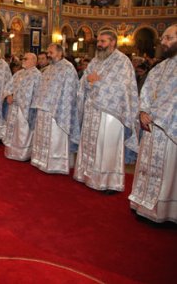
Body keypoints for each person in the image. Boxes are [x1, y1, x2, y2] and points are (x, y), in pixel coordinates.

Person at [74, 30, 139, 193]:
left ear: (113, 42)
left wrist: (94, 83)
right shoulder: (95, 61)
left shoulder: (122, 61)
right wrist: (90, 82)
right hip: (92, 111)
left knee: (106, 145)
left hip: (110, 113)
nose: (99, 44)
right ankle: (86, 175)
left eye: (103, 41)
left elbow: (120, 87)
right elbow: (84, 80)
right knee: (91, 143)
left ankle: (108, 182)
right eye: (99, 41)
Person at [129, 24, 177, 223]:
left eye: (168, 38)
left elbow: (174, 99)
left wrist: (154, 115)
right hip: (150, 127)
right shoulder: (161, 67)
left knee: (167, 170)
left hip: (167, 129)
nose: (163, 42)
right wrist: (142, 111)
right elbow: (146, 91)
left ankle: (163, 211)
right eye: (163, 39)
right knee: (147, 166)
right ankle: (142, 202)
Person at [30, 43, 80, 175]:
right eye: (48, 52)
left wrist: (60, 108)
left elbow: (70, 92)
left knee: (55, 137)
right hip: (43, 108)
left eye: (51, 52)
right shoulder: (49, 68)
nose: (48, 54)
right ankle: (40, 160)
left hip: (58, 110)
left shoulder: (68, 68)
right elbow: (42, 88)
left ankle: (55, 164)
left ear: (59, 52)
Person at [3, 52, 41, 161]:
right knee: (13, 129)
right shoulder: (19, 73)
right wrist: (8, 94)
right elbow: (8, 85)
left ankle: (23, 154)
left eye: (26, 59)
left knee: (22, 130)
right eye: (23, 58)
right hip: (14, 107)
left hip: (26, 108)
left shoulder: (36, 75)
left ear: (34, 61)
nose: (23, 60)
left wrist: (14, 96)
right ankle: (11, 152)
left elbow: (31, 93)